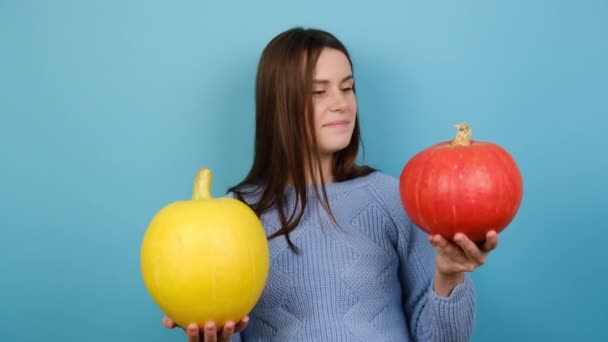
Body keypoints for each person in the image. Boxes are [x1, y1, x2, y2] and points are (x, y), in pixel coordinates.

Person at [162, 27, 499, 342]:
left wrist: (450, 274)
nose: (341, 103)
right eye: (318, 91)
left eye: (347, 87)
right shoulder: (238, 213)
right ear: (279, 106)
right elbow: (227, 324)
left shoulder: (393, 197)